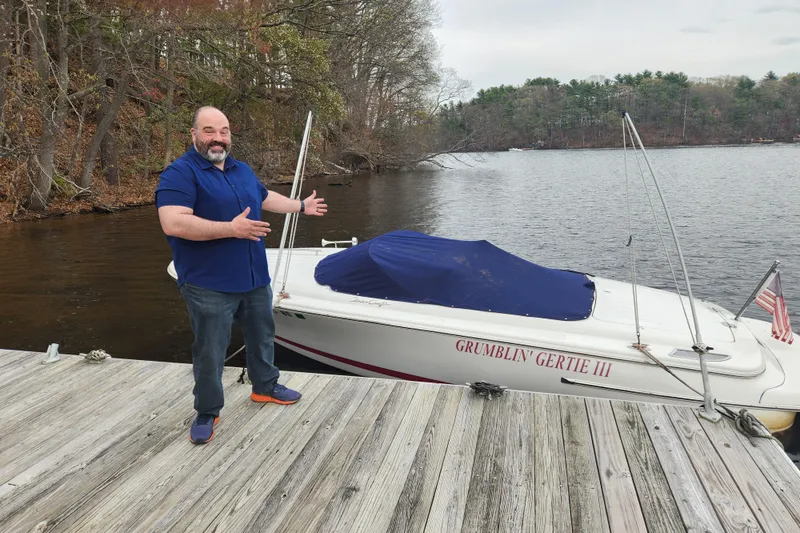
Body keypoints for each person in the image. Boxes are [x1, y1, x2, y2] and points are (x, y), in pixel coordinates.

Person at [155, 106, 327, 444]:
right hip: (208, 283)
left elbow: (264, 198)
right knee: (210, 349)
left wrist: (300, 206)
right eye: (209, 131)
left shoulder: (241, 169)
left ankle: (264, 387)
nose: (217, 138)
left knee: (263, 335)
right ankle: (208, 410)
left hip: (253, 278)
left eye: (223, 131)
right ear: (194, 135)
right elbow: (173, 221)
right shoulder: (180, 174)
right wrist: (230, 228)